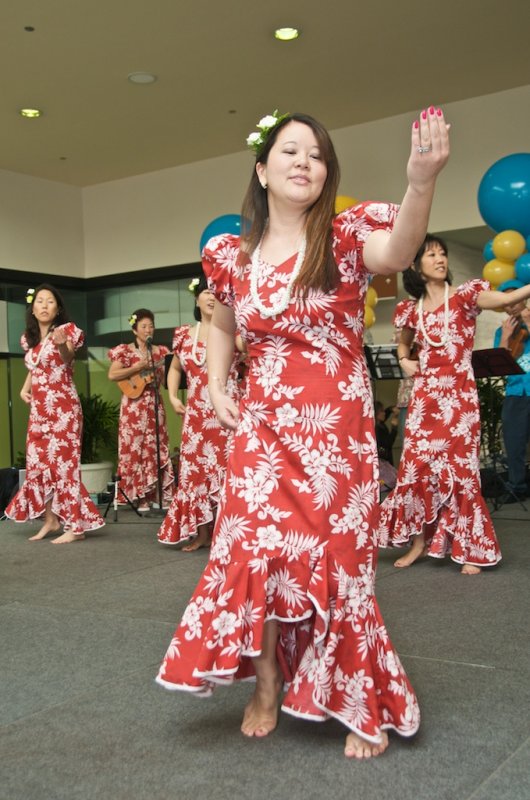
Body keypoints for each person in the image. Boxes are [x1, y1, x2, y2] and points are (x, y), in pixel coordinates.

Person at [156, 106, 450, 759]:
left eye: (316, 154)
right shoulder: (232, 255)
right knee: (256, 554)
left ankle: (353, 697)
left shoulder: (345, 239)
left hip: (333, 430)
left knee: (339, 563)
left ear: (326, 172)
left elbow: (398, 249)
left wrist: (421, 180)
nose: (303, 162)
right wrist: (212, 384)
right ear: (262, 170)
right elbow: (226, 326)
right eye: (290, 151)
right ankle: (265, 685)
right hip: (262, 427)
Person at [378, 236, 530, 573]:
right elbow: (404, 345)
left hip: (459, 398)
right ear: (416, 266)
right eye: (431, 254)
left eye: (443, 253)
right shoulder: (410, 309)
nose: (440, 258)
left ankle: (470, 547)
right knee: (416, 469)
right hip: (424, 399)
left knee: (461, 471)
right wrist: (404, 360)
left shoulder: (464, 296)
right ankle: (418, 543)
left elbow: (505, 299)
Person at [5, 284, 104, 543]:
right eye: (40, 301)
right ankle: (51, 520)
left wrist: (61, 346)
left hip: (64, 410)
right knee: (38, 465)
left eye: (50, 301)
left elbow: (67, 357)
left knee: (64, 467)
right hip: (39, 411)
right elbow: (35, 366)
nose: (45, 305)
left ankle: (76, 527)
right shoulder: (29, 339)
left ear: (58, 308)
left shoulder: (67, 331)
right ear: (33, 308)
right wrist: (24, 388)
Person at [158, 276, 241, 550]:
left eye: (216, 293)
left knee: (228, 471)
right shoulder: (183, 334)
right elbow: (175, 369)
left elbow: (251, 351)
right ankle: (203, 534)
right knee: (195, 473)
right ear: (197, 298)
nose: (211, 297)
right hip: (195, 415)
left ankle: (228, 534)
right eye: (206, 292)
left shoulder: (234, 329)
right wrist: (172, 396)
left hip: (227, 413)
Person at [108, 309, 174, 511]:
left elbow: (165, 379)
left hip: (154, 404)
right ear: (135, 329)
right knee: (135, 448)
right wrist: (137, 367)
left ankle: (155, 494)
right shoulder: (125, 350)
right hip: (133, 407)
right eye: (144, 326)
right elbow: (113, 374)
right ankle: (139, 496)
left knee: (155, 447)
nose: (148, 329)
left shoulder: (160, 351)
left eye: (151, 325)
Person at [493, 280, 530, 502]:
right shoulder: (502, 329)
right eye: (506, 302)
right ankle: (518, 485)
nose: (510, 306)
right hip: (515, 392)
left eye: (514, 298)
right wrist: (506, 335)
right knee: (513, 441)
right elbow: (500, 362)